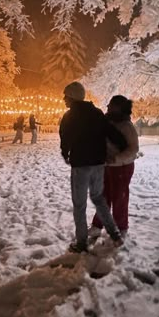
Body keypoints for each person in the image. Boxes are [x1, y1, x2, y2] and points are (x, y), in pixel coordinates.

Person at [59, 81, 128, 253]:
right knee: (98, 199)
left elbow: (65, 138)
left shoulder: (69, 116)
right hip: (98, 165)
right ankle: (115, 234)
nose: (64, 99)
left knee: (79, 205)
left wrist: (66, 154)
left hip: (80, 166)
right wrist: (122, 145)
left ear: (73, 97)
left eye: (66, 96)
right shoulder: (97, 113)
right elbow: (111, 133)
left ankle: (81, 243)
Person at [90, 95, 139, 239]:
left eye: (111, 105)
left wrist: (115, 158)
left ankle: (121, 228)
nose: (108, 107)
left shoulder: (127, 126)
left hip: (122, 168)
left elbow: (133, 149)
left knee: (120, 198)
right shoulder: (106, 122)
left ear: (119, 107)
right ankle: (97, 225)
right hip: (106, 166)